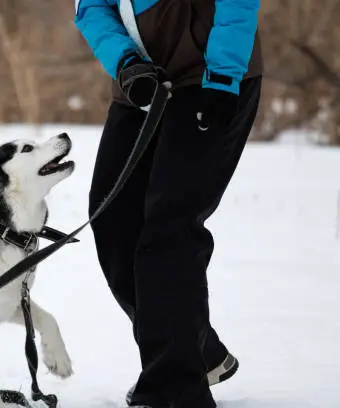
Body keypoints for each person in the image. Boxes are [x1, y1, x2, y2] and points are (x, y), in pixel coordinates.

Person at [74, 1, 263, 407]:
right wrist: (124, 62)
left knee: (169, 229)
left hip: (210, 75)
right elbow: (91, 6)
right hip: (140, 80)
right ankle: (196, 352)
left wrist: (224, 75)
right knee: (113, 220)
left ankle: (174, 390)